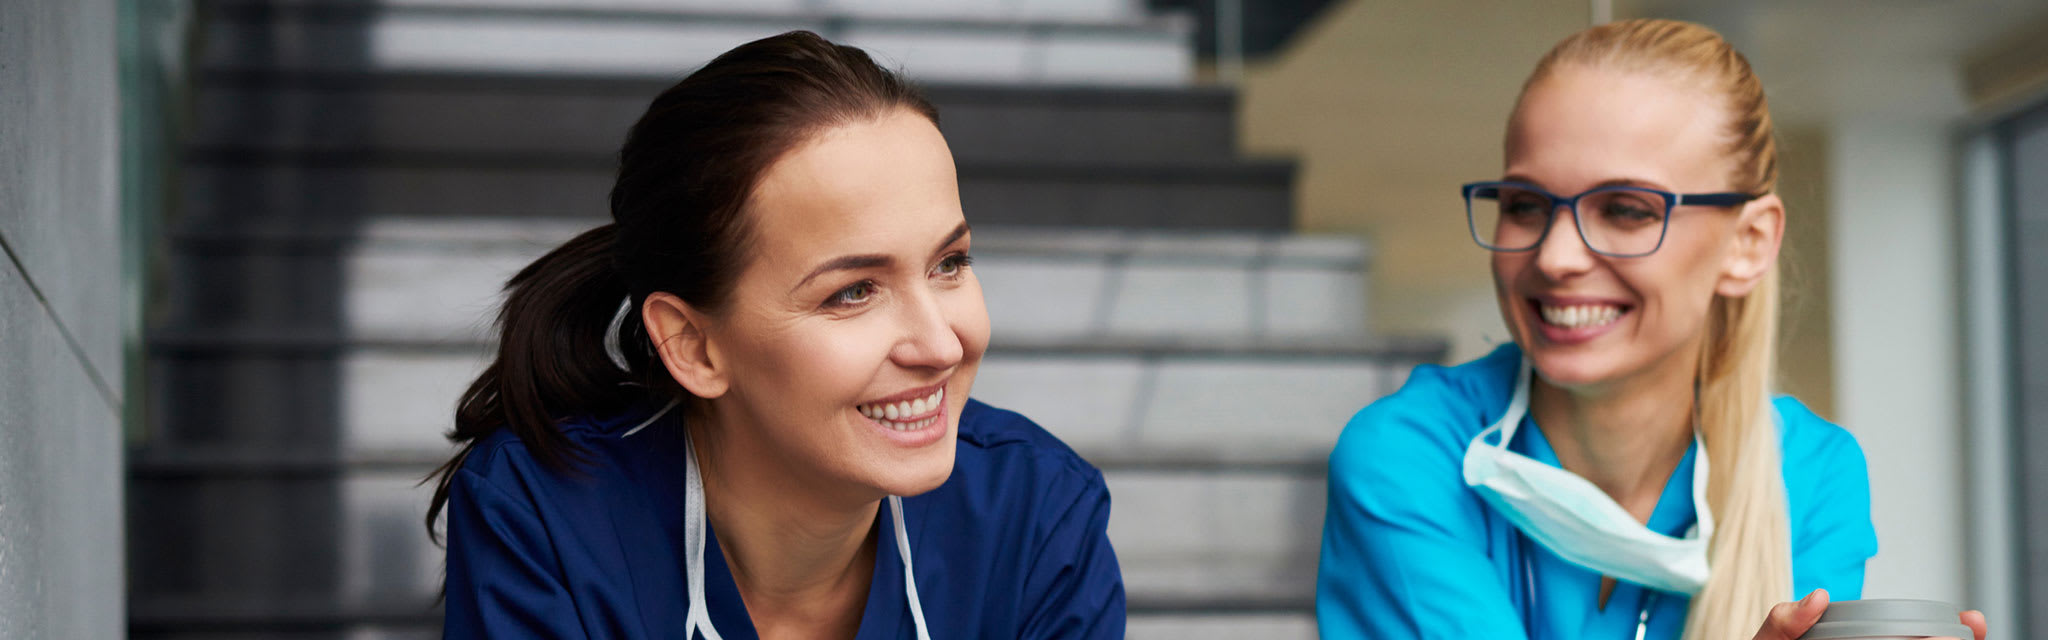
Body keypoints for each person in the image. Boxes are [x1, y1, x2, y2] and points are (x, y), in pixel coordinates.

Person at [423, 31, 1124, 639]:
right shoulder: (545, 514)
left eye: (950, 264)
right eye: (853, 292)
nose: (940, 345)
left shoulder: (1038, 518)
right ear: (693, 346)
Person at [1314, 18, 1984, 640]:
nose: (1555, 256)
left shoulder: (1810, 475)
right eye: (1525, 204)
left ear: (1748, 243)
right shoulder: (1408, 457)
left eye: (1627, 210)